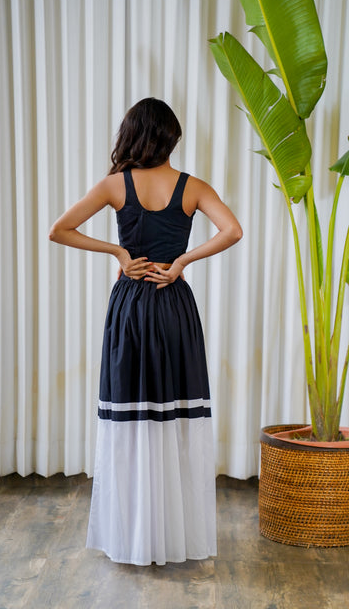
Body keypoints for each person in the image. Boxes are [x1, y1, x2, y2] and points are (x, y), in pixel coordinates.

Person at [49, 97, 242, 566]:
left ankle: (133, 533)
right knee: (173, 414)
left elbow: (60, 229)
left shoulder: (116, 184)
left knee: (131, 413)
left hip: (132, 306)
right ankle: (173, 532)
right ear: (171, 136)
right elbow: (232, 229)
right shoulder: (192, 186)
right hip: (174, 305)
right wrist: (181, 262)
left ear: (133, 135)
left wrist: (118, 253)